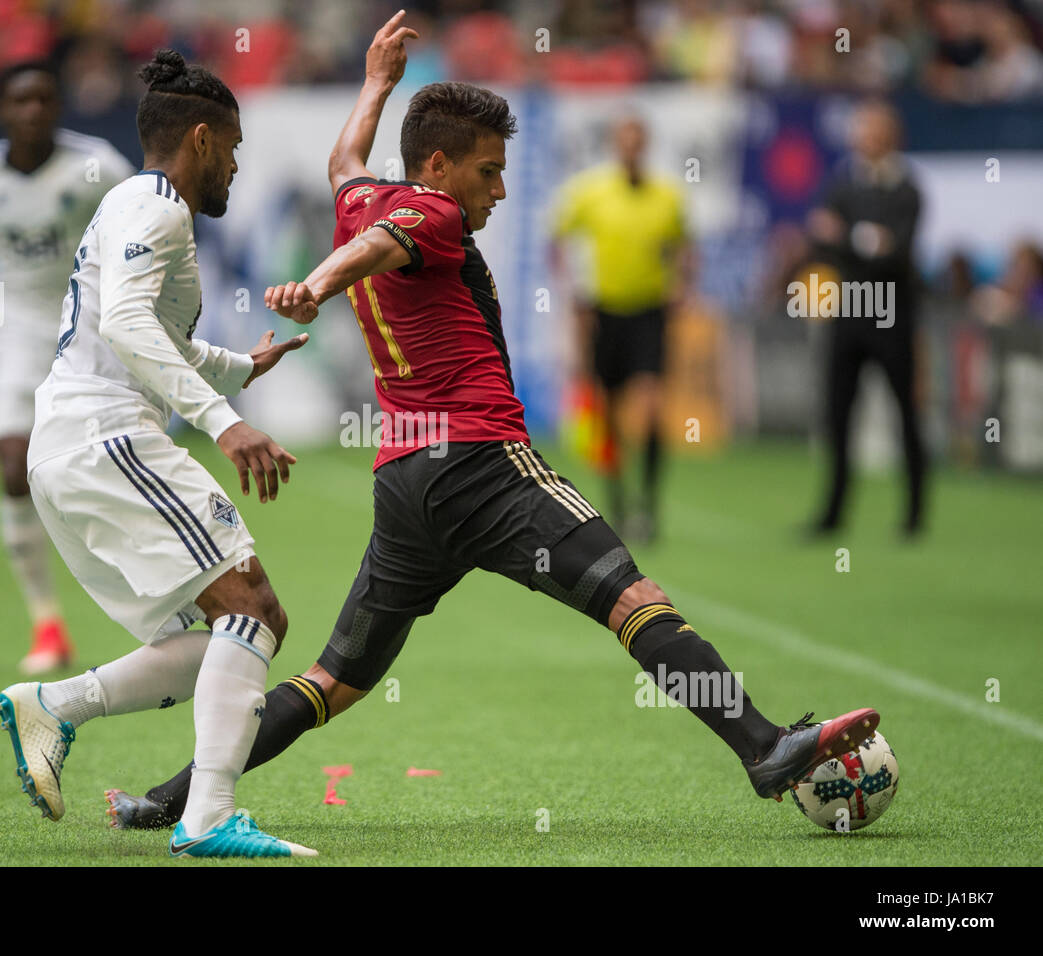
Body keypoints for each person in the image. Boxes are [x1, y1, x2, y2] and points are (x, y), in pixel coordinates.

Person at [104, 14, 879, 834]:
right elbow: (378, 246)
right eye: (488, 171)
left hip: (406, 486)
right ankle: (763, 748)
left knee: (337, 678)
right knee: (635, 601)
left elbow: (344, 167)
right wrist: (316, 284)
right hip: (483, 463)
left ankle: (168, 799)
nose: (499, 191)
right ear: (438, 166)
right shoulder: (429, 212)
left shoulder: (365, 193)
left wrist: (376, 83)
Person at [0, 50, 313, 858]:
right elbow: (128, 328)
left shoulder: (132, 205)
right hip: (105, 437)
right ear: (201, 139)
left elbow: (150, 334)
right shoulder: (157, 206)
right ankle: (206, 820)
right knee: (250, 609)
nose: (236, 167)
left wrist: (239, 367)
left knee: (236, 627)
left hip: (75, 446)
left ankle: (56, 704)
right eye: (233, 149)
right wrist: (225, 420)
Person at [0, 60, 133, 674]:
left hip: (92, 324)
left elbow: (147, 235)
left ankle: (150, 608)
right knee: (9, 466)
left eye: (44, 99)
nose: (33, 111)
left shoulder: (97, 165)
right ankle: (48, 624)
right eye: (20, 101)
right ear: (1, 109)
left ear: (58, 106)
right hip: (17, 327)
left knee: (107, 467)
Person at [550, 114, 691, 540]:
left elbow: (683, 248)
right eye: (624, 140)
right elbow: (558, 240)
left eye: (637, 140)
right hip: (604, 312)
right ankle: (617, 501)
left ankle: (648, 506)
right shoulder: (591, 193)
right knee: (607, 410)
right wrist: (574, 297)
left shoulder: (666, 196)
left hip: (649, 312)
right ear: (616, 144)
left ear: (645, 145)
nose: (631, 148)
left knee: (650, 406)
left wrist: (680, 288)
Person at [806, 99, 925, 536]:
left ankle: (914, 513)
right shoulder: (844, 182)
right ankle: (833, 514)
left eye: (873, 131)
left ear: (890, 137)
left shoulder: (906, 188)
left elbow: (895, 251)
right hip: (850, 313)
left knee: (905, 412)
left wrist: (850, 237)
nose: (864, 139)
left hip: (892, 316)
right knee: (838, 414)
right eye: (861, 131)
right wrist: (865, 241)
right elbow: (822, 237)